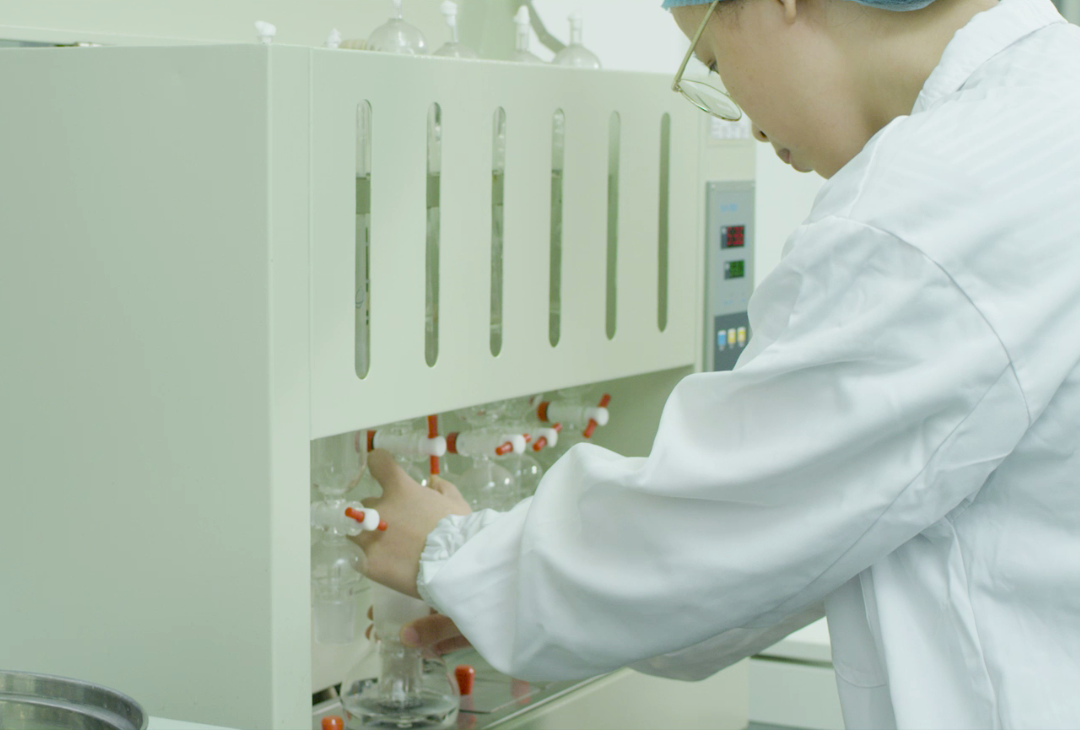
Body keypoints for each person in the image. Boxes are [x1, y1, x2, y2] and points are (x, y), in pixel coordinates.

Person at [355, 0, 1080, 726]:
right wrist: (533, 601)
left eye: (711, 61)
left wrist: (457, 555)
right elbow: (797, 539)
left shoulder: (931, 207)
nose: (750, 124)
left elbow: (718, 530)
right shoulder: (1050, 106)